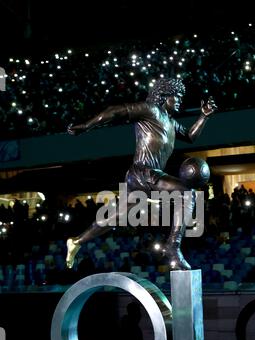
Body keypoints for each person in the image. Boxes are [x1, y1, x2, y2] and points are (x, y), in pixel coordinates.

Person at [66, 78, 217, 270]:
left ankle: (76, 241)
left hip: (140, 177)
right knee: (187, 193)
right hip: (143, 172)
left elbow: (190, 136)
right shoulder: (150, 110)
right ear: (164, 97)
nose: (179, 101)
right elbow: (114, 111)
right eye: (176, 97)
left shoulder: (170, 122)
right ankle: (173, 246)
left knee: (114, 219)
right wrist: (86, 126)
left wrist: (204, 116)